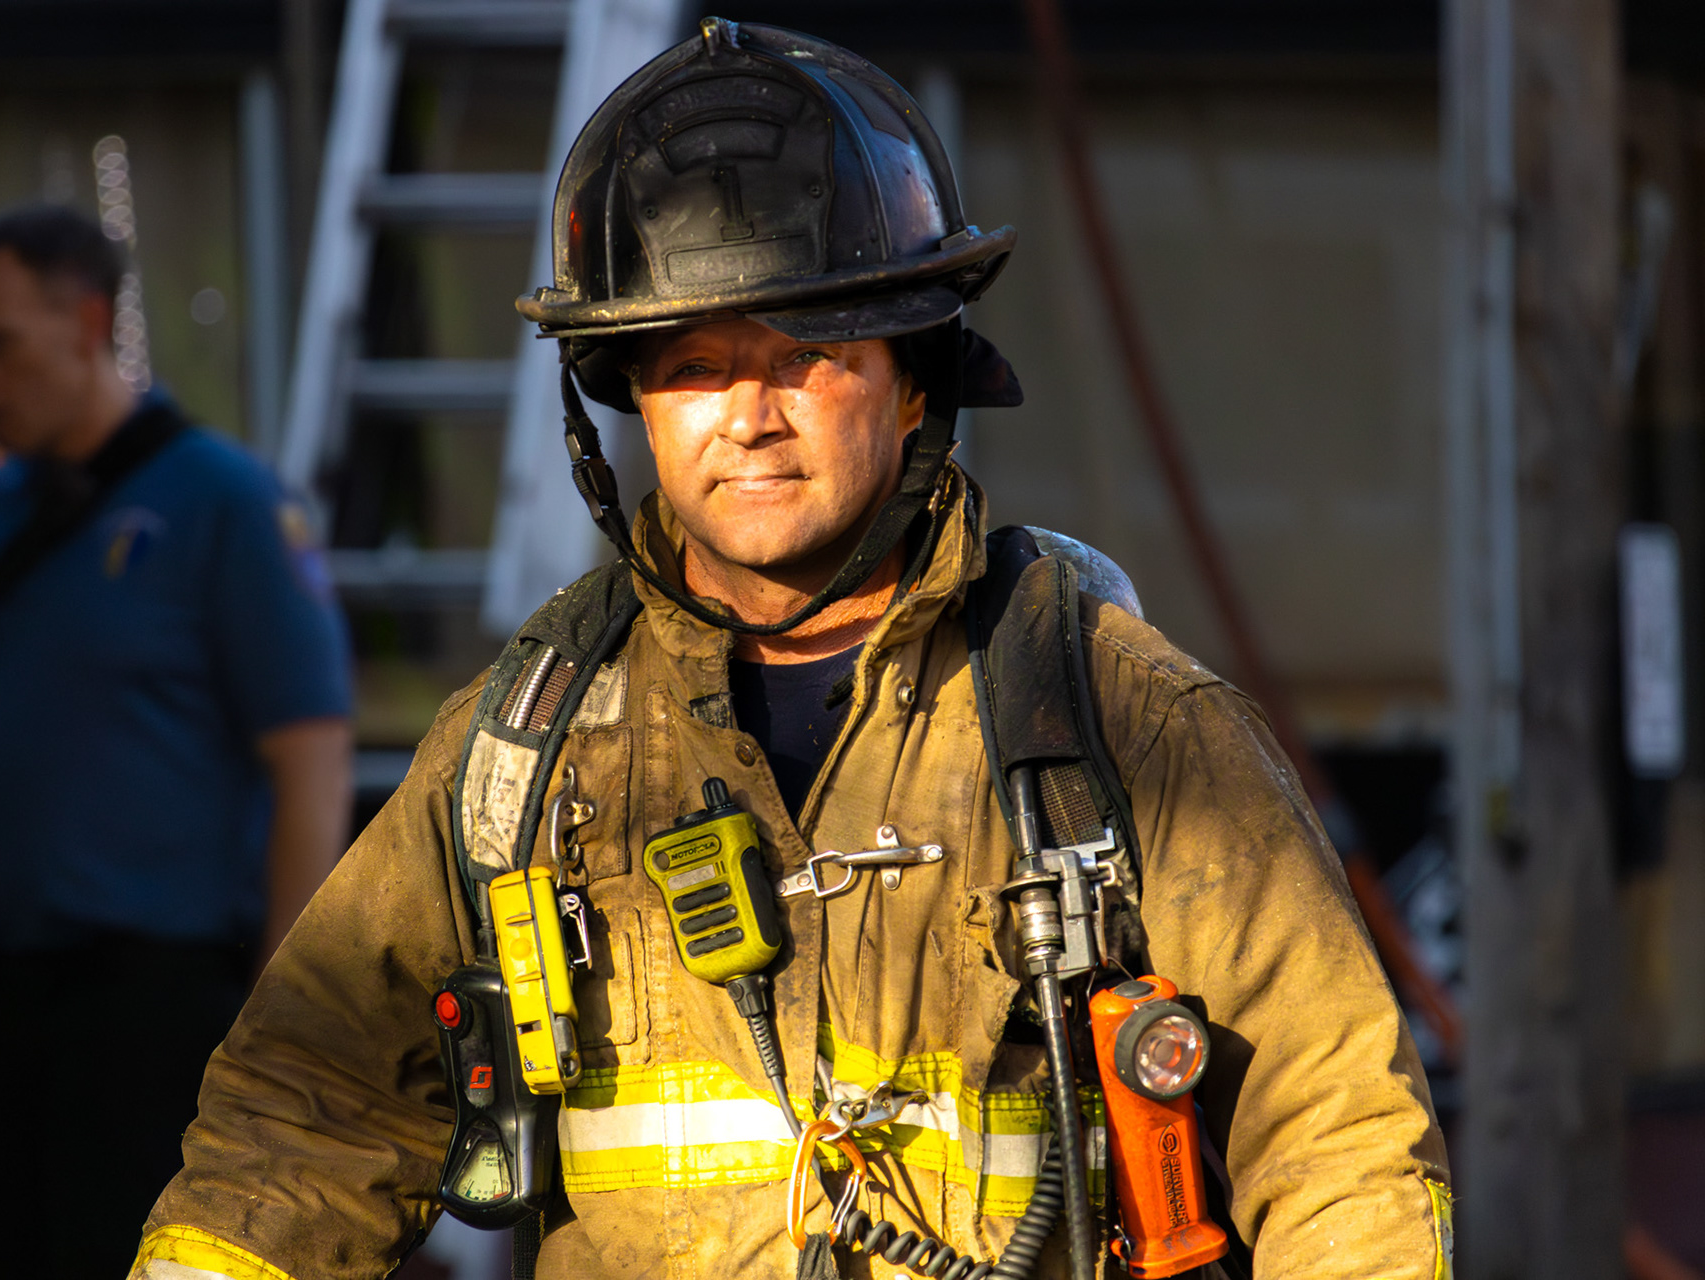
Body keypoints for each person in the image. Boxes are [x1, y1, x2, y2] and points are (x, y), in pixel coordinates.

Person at [130, 20, 1450, 1280]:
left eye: (806, 356)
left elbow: (1336, 1133)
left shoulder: (1114, 724)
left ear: (916, 377)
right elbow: (303, 1118)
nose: (748, 416)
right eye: (694, 365)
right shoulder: (529, 750)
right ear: (629, 404)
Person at [0, 204, 356, 1280]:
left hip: (153, 1002)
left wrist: (283, 1008)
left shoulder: (220, 502)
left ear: (88, 322)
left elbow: (309, 762)